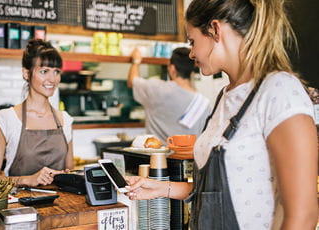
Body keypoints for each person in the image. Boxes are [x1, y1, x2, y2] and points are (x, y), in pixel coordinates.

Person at [125, 0, 318, 229]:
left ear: (215, 30)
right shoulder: (224, 97)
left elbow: (303, 215)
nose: (192, 53)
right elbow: (214, 192)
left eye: (192, 41)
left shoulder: (278, 90)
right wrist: (161, 188)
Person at [0, 39, 74, 187]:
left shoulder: (65, 120)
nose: (52, 79)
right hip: (19, 207)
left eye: (56, 72)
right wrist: (26, 180)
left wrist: (65, 175)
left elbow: (70, 170)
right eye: (44, 71)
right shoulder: (5, 119)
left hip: (62, 206)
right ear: (26, 73)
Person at [127, 47, 210, 144]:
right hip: (189, 158)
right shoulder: (204, 104)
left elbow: (132, 81)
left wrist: (136, 60)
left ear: (172, 68)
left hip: (158, 158)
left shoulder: (157, 89)